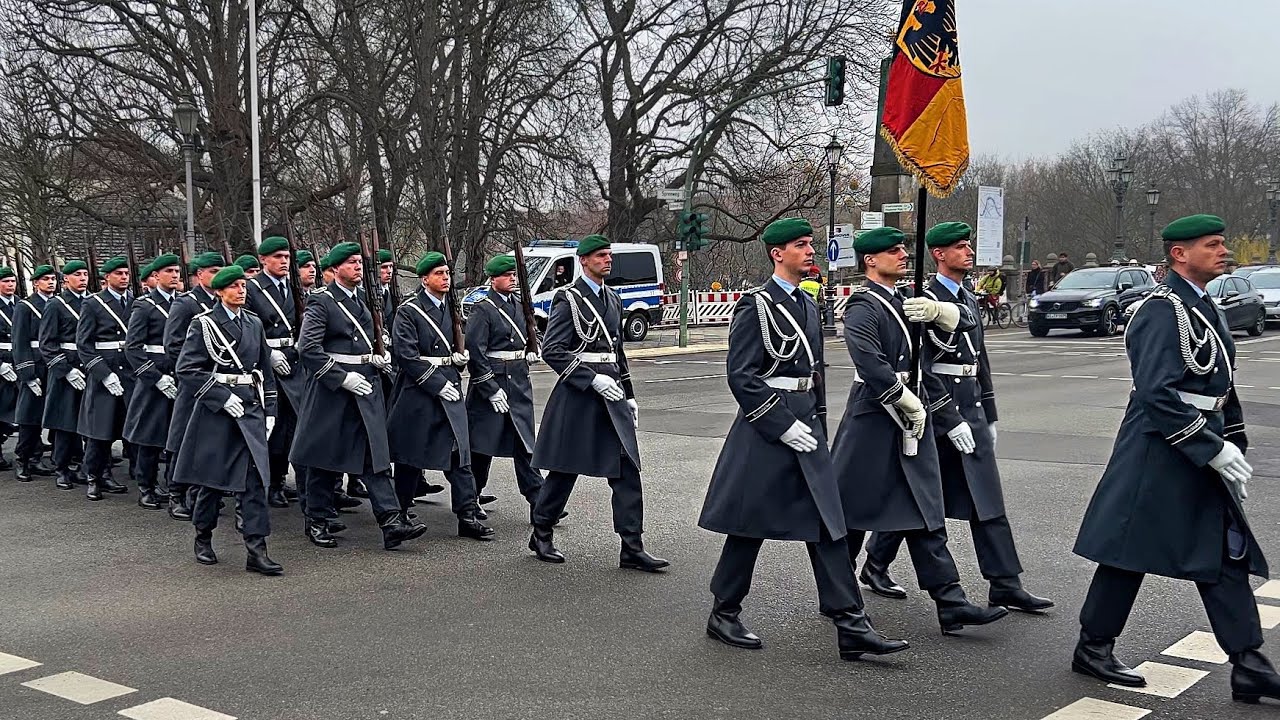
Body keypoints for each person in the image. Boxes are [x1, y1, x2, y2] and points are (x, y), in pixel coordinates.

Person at [1072, 214, 1280, 702]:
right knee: (1130, 552)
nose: (1223, 251)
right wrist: (1210, 448)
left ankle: (1248, 662)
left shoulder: (1203, 305)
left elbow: (1219, 385)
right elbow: (1157, 393)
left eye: (1223, 243)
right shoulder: (1162, 310)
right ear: (1179, 254)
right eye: (1212, 245)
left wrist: (1233, 443)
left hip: (1194, 445)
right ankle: (1093, 646)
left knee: (1224, 551)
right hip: (1159, 450)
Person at [698, 217, 907, 661]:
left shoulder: (809, 305)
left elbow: (814, 376)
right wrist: (780, 424)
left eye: (811, 244)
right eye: (801, 245)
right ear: (777, 253)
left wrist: (815, 424)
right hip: (767, 429)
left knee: (827, 526)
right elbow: (742, 376)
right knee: (747, 526)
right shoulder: (755, 305)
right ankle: (724, 612)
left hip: (806, 425)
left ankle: (850, 623)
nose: (811, 251)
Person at [860, 223, 1053, 614]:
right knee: (915, 499)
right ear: (939, 255)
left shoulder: (964, 298)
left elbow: (978, 360)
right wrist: (949, 417)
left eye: (969, 246)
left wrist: (990, 412)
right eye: (959, 247)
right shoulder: (921, 299)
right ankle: (876, 564)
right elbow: (921, 369)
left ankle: (1004, 582)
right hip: (938, 409)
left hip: (972, 408)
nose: (968, 252)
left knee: (987, 498)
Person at [830, 226, 1008, 634]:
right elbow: (870, 362)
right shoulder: (863, 305)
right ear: (870, 260)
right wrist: (903, 397)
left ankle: (951, 601)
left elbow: (965, 321)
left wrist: (940, 312)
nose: (903, 255)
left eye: (904, 250)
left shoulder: (908, 302)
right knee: (853, 514)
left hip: (913, 416)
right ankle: (840, 596)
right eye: (893, 251)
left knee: (923, 510)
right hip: (874, 417)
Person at [528, 234, 667, 572]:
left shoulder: (613, 298)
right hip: (580, 395)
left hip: (613, 395)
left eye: (609, 255)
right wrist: (591, 379)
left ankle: (632, 546)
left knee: (627, 469)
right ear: (584, 261)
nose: (608, 260)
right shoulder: (569, 299)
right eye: (601, 256)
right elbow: (554, 350)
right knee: (565, 469)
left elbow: (617, 352)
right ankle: (541, 531)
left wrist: (629, 394)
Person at [289, 242, 426, 550]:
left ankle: (390, 521)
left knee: (373, 455)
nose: (357, 268)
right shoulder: (321, 302)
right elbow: (308, 350)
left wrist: (377, 356)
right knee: (324, 458)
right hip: (333, 392)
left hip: (366, 387)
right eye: (351, 263)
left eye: (359, 263)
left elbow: (368, 340)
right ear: (335, 269)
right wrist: (341, 378)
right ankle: (317, 520)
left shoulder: (364, 300)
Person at [173, 264, 281, 575]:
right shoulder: (204, 324)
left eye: (243, 285)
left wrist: (270, 410)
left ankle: (256, 550)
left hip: (249, 409)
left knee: (254, 481)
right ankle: (203, 537)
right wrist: (222, 397)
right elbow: (188, 370)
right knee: (213, 481)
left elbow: (264, 370)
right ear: (219, 291)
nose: (241, 290)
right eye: (233, 286)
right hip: (217, 414)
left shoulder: (254, 323)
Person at [386, 252, 493, 540]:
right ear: (424, 279)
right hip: (419, 392)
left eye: (447, 273)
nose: (446, 278)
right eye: (439, 274)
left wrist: (460, 360)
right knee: (410, 457)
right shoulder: (409, 311)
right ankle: (401, 511)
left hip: (450, 385)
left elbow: (459, 346)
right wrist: (435, 382)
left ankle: (467, 514)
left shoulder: (453, 309)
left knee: (461, 454)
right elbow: (406, 356)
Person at [464, 254, 545, 518]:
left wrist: (533, 348)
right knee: (482, 447)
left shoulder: (520, 305)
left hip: (518, 384)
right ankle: (471, 498)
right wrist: (489, 389)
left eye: (514, 275)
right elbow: (476, 353)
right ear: (493, 279)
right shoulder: (483, 309)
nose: (512, 279)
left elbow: (530, 333)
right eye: (507, 276)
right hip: (494, 385)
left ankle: (538, 500)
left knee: (525, 445)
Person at [163, 252, 225, 520]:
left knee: (213, 440)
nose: (218, 276)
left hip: (220, 382)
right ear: (199, 275)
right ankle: (175, 493)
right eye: (212, 271)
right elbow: (173, 344)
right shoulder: (186, 304)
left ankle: (204, 493)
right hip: (195, 382)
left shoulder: (225, 302)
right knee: (184, 439)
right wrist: (194, 374)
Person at [245, 236, 304, 508]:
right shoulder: (252, 289)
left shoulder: (294, 288)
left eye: (287, 257)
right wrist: (268, 354)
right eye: (278, 257)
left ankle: (288, 479)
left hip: (294, 360)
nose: (283, 262)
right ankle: (272, 481)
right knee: (274, 427)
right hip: (266, 364)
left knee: (294, 425)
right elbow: (244, 329)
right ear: (263, 260)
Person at [76, 256, 136, 501]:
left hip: (130, 371)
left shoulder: (136, 302)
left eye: (126, 273)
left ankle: (114, 475)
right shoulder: (93, 303)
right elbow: (84, 344)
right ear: (107, 278)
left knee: (128, 427)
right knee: (99, 431)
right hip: (105, 371)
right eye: (119, 273)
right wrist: (103, 373)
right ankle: (93, 476)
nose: (124, 277)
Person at [123, 255, 180, 510]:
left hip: (178, 374)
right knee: (149, 436)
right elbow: (133, 348)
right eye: (169, 271)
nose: (175, 275)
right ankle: (146, 487)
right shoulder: (144, 305)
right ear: (156, 276)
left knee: (175, 434)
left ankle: (173, 484)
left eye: (177, 271)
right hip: (153, 378)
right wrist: (155, 377)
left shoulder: (183, 303)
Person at [40, 260, 90, 492]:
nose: (82, 278)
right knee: (65, 421)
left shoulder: (93, 302)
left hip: (88, 366)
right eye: (77, 275)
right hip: (66, 369)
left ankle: (88, 467)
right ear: (65, 280)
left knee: (90, 420)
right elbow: (47, 344)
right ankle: (61, 467)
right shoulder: (56, 305)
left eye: (85, 274)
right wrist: (66, 370)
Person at [13, 264, 56, 482]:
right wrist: (27, 373)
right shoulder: (26, 306)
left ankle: (52, 457)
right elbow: (19, 342)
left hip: (54, 364)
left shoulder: (58, 304)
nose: (50, 282)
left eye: (53, 279)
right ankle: (24, 458)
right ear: (36, 283)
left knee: (56, 413)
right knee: (30, 417)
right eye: (45, 279)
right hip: (36, 365)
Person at [0, 267, 20, 472]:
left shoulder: (20, 305)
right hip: (1, 360)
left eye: (12, 281)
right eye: (6, 281)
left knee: (19, 407)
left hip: (17, 359)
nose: (10, 285)